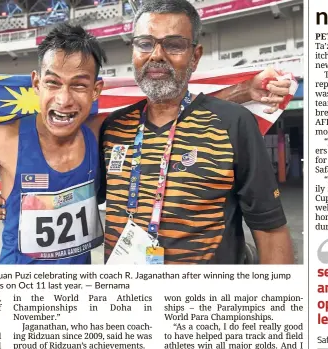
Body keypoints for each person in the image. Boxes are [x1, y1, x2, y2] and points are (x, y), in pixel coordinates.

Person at [0, 22, 290, 265]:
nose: (64, 100)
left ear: (96, 91)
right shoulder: (5, 139)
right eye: (52, 84)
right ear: (36, 85)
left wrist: (244, 91)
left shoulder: (99, 131)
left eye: (79, 86)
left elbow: (170, 109)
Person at [95, 0, 294, 264]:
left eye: (174, 45)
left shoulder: (233, 123)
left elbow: (270, 231)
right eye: (145, 43)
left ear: (195, 56)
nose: (156, 55)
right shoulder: (113, 128)